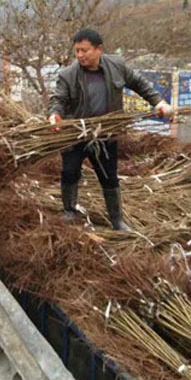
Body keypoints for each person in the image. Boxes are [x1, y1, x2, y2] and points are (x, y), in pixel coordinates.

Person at [48, 28, 173, 231]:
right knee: (70, 171)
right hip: (76, 133)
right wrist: (55, 115)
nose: (80, 55)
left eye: (84, 50)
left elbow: (140, 84)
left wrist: (159, 102)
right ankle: (69, 210)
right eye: (77, 51)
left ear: (99, 49)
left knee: (109, 176)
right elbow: (58, 99)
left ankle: (117, 220)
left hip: (106, 133)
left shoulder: (117, 66)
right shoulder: (68, 75)